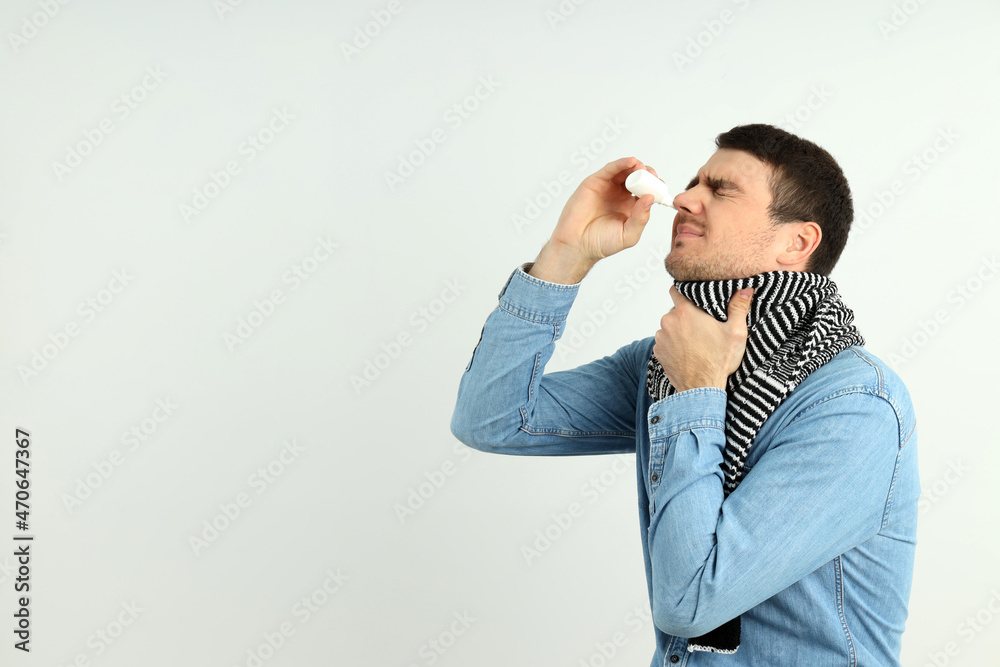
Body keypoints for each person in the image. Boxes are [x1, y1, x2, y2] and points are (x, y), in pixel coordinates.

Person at [449, 123, 919, 666]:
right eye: (694, 183)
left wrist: (698, 389)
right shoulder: (665, 363)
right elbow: (492, 419)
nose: (683, 199)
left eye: (721, 190)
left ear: (797, 243)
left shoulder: (854, 405)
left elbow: (691, 602)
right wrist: (565, 255)